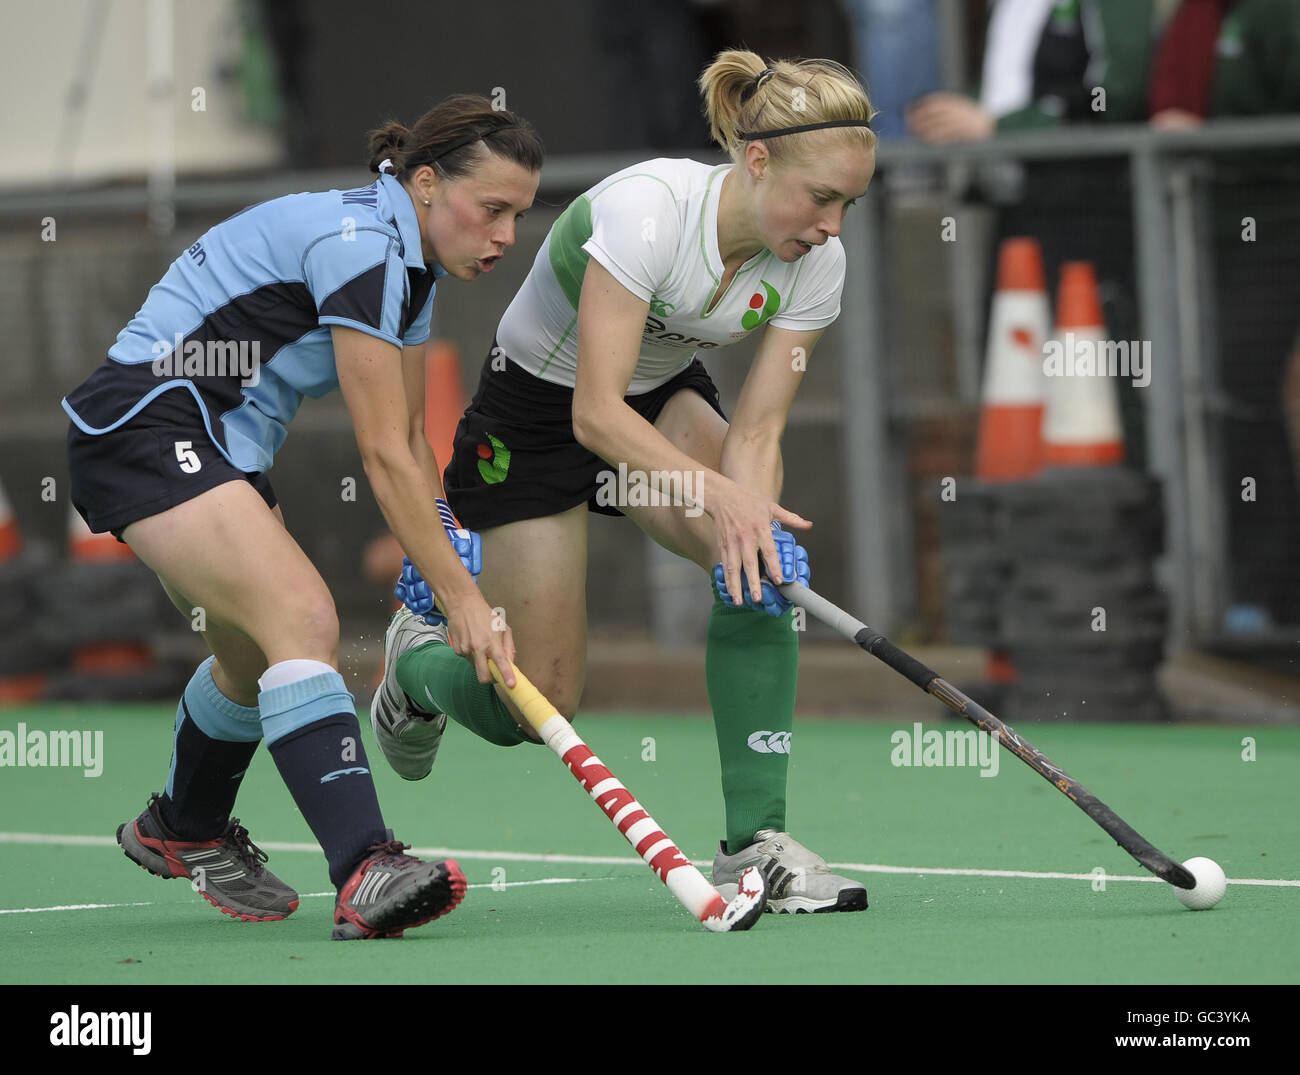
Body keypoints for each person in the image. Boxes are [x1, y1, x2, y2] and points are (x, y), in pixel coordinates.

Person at [371, 50, 877, 914]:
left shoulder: (814, 263)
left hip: (664, 401)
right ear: (757, 161)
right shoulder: (648, 211)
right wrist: (720, 496)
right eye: (820, 197)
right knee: (537, 701)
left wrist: (745, 517)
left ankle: (756, 848)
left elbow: (755, 431)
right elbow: (595, 415)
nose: (831, 225)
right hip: (536, 420)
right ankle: (413, 671)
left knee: (756, 566)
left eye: (849, 204)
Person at [61, 95, 541, 939]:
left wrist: (441, 536)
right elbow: (379, 454)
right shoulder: (360, 247)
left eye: (518, 216)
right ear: (426, 184)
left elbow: (406, 434)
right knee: (303, 618)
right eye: (492, 209)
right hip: (149, 422)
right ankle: (366, 865)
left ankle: (181, 822)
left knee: (249, 659)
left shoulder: (410, 262)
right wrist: (462, 594)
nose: (504, 235)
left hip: (218, 449)